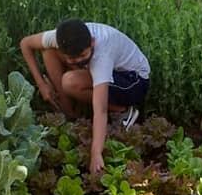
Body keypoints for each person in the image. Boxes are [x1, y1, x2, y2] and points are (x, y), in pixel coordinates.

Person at [20, 19, 150, 177]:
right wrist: (41, 84)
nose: (79, 61)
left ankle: (123, 111)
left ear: (92, 43)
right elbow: (25, 43)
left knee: (70, 81)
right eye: (72, 59)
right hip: (111, 73)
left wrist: (96, 154)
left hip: (133, 81)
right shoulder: (58, 37)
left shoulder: (102, 54)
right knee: (48, 52)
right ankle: (69, 116)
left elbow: (100, 110)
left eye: (83, 55)